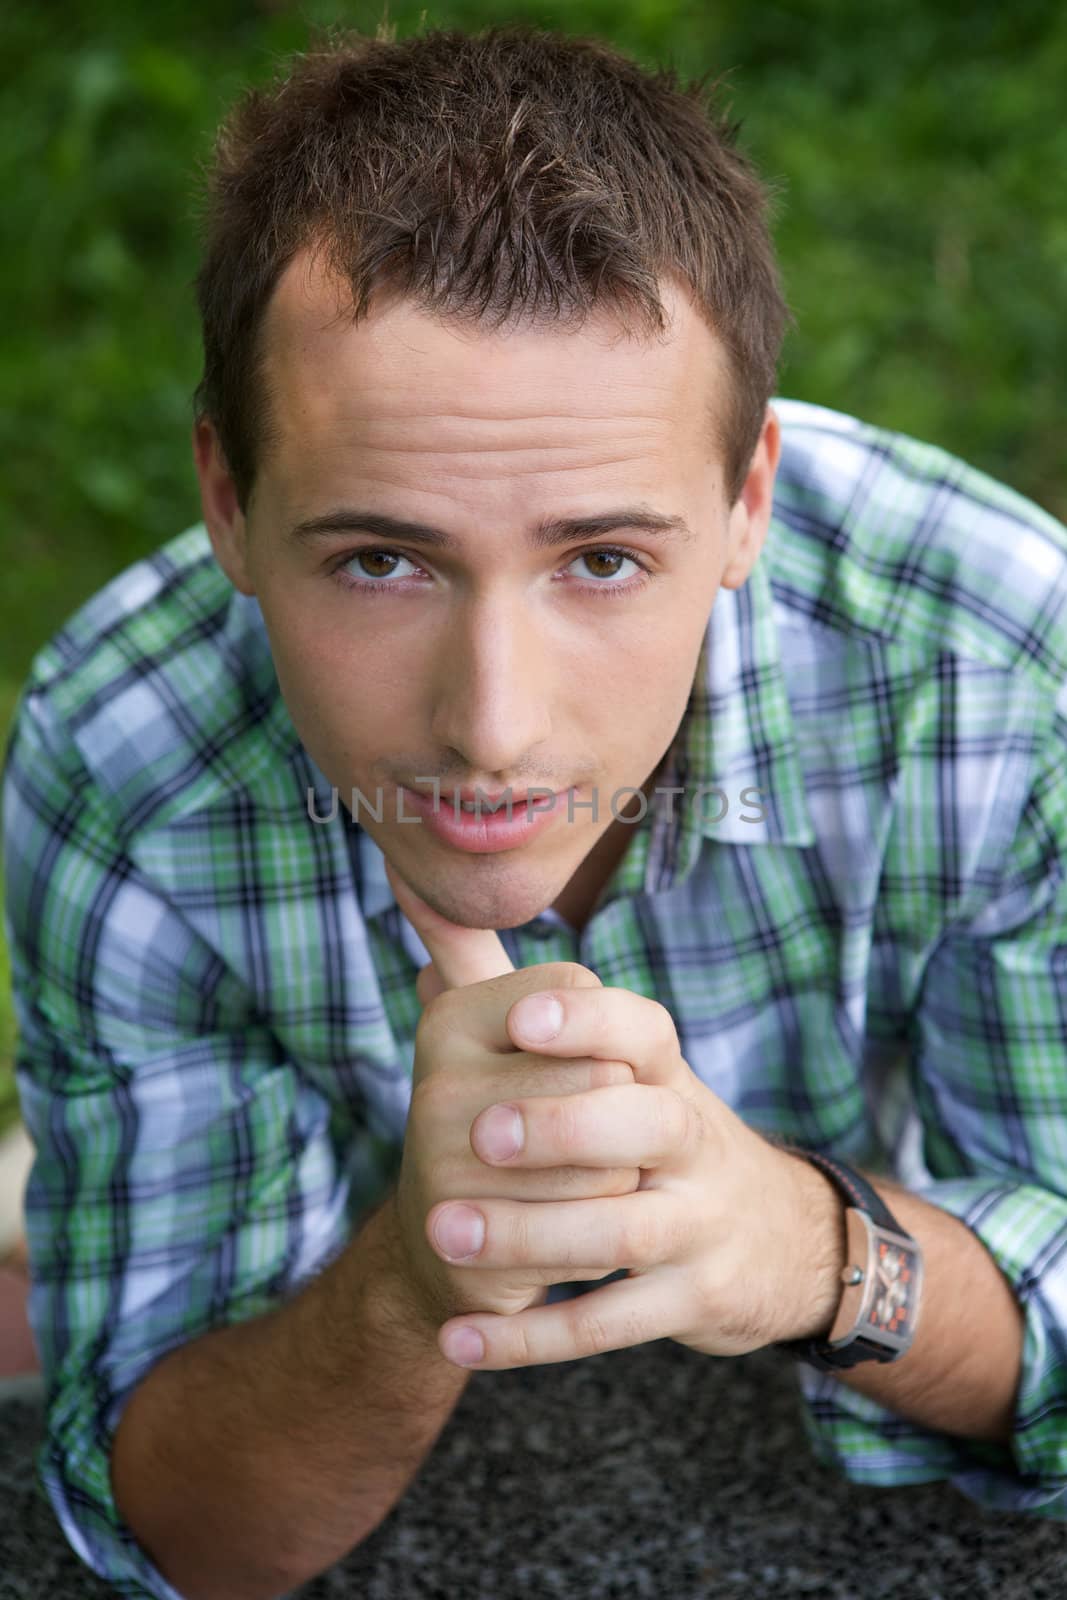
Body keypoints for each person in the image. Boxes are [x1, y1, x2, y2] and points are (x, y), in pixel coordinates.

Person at [3, 19, 1066, 1600]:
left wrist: (808, 1249)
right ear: (229, 500)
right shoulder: (124, 763)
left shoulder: (995, 663)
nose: (490, 726)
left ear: (745, 504)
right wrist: (420, 1268)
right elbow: (179, 1532)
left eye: (603, 562)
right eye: (381, 559)